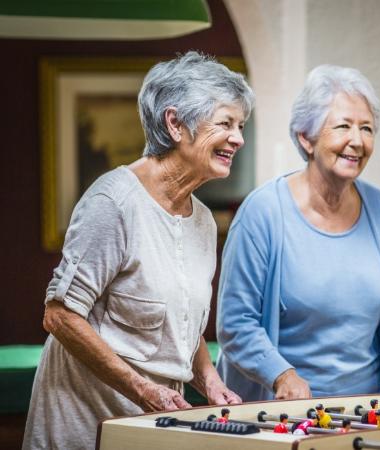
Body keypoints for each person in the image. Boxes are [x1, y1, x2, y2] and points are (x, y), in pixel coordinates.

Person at [23, 51, 253, 450]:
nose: (238, 137)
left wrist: (210, 382)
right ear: (175, 123)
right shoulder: (114, 203)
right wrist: (142, 389)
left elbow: (181, 325)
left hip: (148, 426)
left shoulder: (200, 219)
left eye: (241, 125)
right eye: (226, 123)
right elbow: (59, 315)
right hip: (85, 425)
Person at [216, 64, 380, 400]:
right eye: (343, 126)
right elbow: (236, 323)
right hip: (284, 417)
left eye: (367, 129)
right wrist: (282, 376)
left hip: (369, 412)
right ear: (306, 137)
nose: (357, 141)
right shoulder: (263, 213)